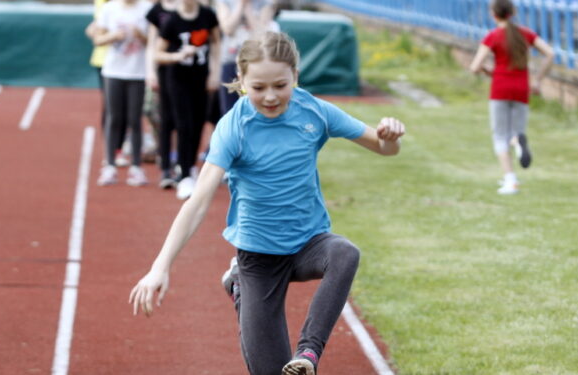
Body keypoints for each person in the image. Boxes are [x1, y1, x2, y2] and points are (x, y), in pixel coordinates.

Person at [129, 31, 405, 375]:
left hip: (308, 243)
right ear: (241, 81)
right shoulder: (234, 128)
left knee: (345, 252)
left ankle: (308, 354)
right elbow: (199, 201)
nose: (271, 96)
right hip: (258, 258)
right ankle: (239, 284)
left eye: (280, 85)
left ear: (295, 77)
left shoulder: (313, 111)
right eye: (259, 88)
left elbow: (383, 147)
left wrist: (389, 137)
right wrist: (161, 266)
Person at [469, 0, 554, 195]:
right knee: (517, 130)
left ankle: (510, 180)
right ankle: (517, 141)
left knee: (499, 136)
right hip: (521, 88)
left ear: (493, 14)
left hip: (500, 88)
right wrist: (538, 80)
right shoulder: (525, 34)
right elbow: (550, 53)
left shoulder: (493, 36)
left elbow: (474, 66)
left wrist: (488, 71)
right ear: (513, 12)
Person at [153, 0, 221, 199]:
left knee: (199, 122)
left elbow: (216, 41)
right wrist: (178, 56)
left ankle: (190, 166)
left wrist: (215, 73)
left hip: (201, 78)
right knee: (184, 125)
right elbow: (158, 52)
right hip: (177, 80)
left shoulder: (208, 15)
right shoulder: (172, 20)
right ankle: (183, 175)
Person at [92, 0, 153, 186]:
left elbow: (154, 40)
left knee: (134, 119)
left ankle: (136, 167)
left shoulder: (146, 8)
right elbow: (98, 39)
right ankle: (109, 165)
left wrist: (140, 35)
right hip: (113, 71)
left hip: (137, 72)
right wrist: (114, 36)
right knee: (114, 117)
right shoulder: (110, 8)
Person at [86, 0, 131, 168]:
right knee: (112, 108)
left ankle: (119, 146)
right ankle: (111, 150)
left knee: (127, 108)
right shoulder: (103, 4)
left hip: (129, 62)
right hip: (105, 60)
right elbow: (94, 28)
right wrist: (104, 34)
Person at [215, 0, 276, 117]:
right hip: (230, 60)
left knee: (254, 108)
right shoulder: (225, 2)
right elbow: (227, 28)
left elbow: (262, 32)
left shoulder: (265, 3)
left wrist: (248, 10)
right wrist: (240, 5)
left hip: (255, 63)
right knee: (229, 110)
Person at [145, 0, 180, 189]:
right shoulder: (156, 11)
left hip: (188, 72)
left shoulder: (191, 8)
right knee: (159, 116)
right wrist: (151, 71)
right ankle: (165, 161)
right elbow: (152, 43)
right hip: (164, 70)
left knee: (185, 121)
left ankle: (182, 163)